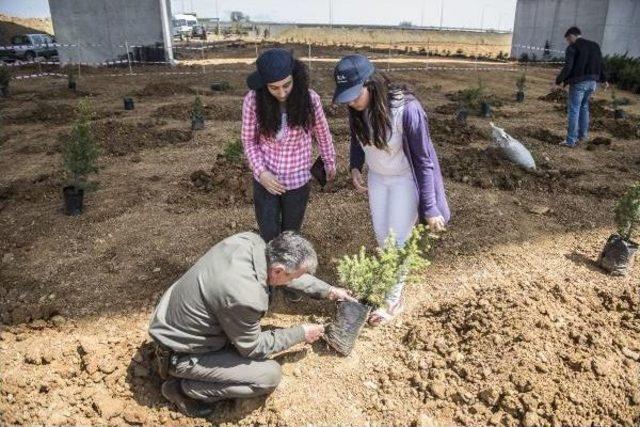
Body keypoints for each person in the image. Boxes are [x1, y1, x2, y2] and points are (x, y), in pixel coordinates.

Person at [149, 231, 355, 417]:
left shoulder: (251, 242)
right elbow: (253, 348)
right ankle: (182, 389)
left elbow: (287, 276)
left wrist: (328, 291)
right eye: (295, 275)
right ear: (278, 271)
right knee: (268, 376)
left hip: (171, 320)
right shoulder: (245, 296)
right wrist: (300, 333)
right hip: (181, 353)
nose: (295, 279)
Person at [332, 54, 450, 326]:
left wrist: (430, 208)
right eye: (346, 96)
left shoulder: (406, 110)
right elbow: (356, 138)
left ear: (370, 84)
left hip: (404, 179)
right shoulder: (356, 109)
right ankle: (388, 285)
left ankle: (392, 300)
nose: (350, 102)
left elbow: (423, 160)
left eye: (354, 94)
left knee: (397, 241)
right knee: (382, 236)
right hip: (378, 178)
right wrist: (355, 166)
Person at [242, 48, 336, 303]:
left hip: (298, 180)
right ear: (264, 87)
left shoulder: (309, 99)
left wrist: (329, 161)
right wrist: (261, 173)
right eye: (274, 88)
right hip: (267, 181)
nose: (282, 93)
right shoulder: (253, 101)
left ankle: (292, 281)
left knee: (291, 234)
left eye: (287, 85)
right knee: (269, 234)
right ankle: (269, 284)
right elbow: (249, 141)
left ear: (295, 77)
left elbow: (323, 133)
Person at [554, 26, 608, 148]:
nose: (568, 42)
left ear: (571, 36)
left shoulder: (572, 47)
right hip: (592, 82)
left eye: (568, 39)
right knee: (584, 107)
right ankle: (582, 136)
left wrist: (558, 82)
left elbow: (568, 67)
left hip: (579, 83)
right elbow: (601, 63)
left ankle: (570, 141)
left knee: (574, 109)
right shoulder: (595, 45)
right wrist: (604, 79)